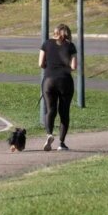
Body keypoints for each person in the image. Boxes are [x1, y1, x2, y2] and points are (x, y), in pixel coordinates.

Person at [39, 23, 77, 151]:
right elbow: (74, 67)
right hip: (65, 81)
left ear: (55, 32)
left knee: (50, 110)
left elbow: (40, 63)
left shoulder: (46, 44)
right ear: (67, 34)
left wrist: (49, 68)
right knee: (64, 112)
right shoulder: (70, 46)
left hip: (49, 80)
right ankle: (61, 143)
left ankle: (49, 134)